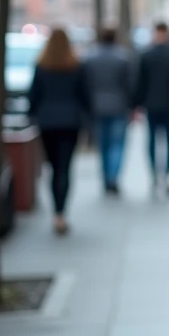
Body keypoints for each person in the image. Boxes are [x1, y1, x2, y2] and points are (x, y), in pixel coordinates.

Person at [29, 28, 88, 235]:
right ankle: (61, 213)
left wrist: (32, 116)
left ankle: (56, 211)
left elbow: (33, 96)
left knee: (53, 168)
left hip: (47, 122)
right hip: (70, 122)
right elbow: (84, 96)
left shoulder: (41, 66)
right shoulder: (76, 66)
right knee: (64, 167)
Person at [135, 22, 169, 196]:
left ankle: (155, 175)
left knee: (152, 141)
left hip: (152, 105)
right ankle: (167, 175)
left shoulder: (146, 55)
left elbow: (140, 83)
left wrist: (137, 104)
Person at [81, 28, 133, 195]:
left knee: (102, 144)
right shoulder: (123, 57)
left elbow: (85, 84)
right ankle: (113, 177)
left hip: (96, 107)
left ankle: (105, 177)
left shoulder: (90, 57)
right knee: (117, 144)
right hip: (119, 105)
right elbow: (130, 84)